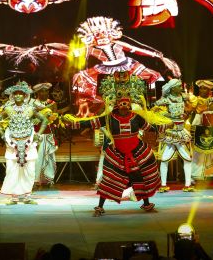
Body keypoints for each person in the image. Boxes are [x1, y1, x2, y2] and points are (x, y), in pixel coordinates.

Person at [65, 72, 170, 217]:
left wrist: (165, 127)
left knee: (139, 177)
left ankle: (146, 203)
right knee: (109, 179)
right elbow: (91, 123)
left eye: (126, 103)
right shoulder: (109, 118)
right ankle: (100, 206)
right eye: (121, 103)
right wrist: (74, 123)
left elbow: (150, 128)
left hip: (137, 152)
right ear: (117, 104)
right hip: (117, 153)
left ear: (130, 103)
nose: (124, 106)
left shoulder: (136, 117)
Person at [0, 81, 48, 204]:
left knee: (29, 170)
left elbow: (44, 120)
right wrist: (2, 134)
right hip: (12, 142)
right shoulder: (7, 108)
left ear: (25, 95)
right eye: (16, 93)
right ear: (12, 95)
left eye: (20, 93)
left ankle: (27, 197)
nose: (18, 95)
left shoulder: (31, 108)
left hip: (28, 142)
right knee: (11, 170)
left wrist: (38, 134)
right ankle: (14, 197)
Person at [153, 78, 195, 192]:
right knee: (164, 159)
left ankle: (187, 185)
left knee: (188, 158)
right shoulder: (166, 99)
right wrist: (167, 116)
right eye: (178, 86)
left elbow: (192, 107)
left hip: (181, 131)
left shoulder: (184, 97)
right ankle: (163, 185)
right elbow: (154, 108)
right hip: (170, 132)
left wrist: (187, 113)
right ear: (172, 88)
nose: (181, 88)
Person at [189, 79, 213, 180]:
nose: (202, 90)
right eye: (200, 88)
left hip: (212, 128)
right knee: (198, 152)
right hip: (198, 128)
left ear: (209, 90)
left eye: (204, 88)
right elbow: (199, 109)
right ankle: (194, 175)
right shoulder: (196, 100)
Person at [32, 82, 59, 187]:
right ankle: (35, 179)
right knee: (37, 157)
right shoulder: (33, 103)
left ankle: (49, 179)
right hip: (37, 134)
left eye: (46, 91)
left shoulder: (52, 103)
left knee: (50, 156)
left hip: (48, 134)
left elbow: (55, 120)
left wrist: (52, 118)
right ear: (37, 93)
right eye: (42, 91)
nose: (44, 93)